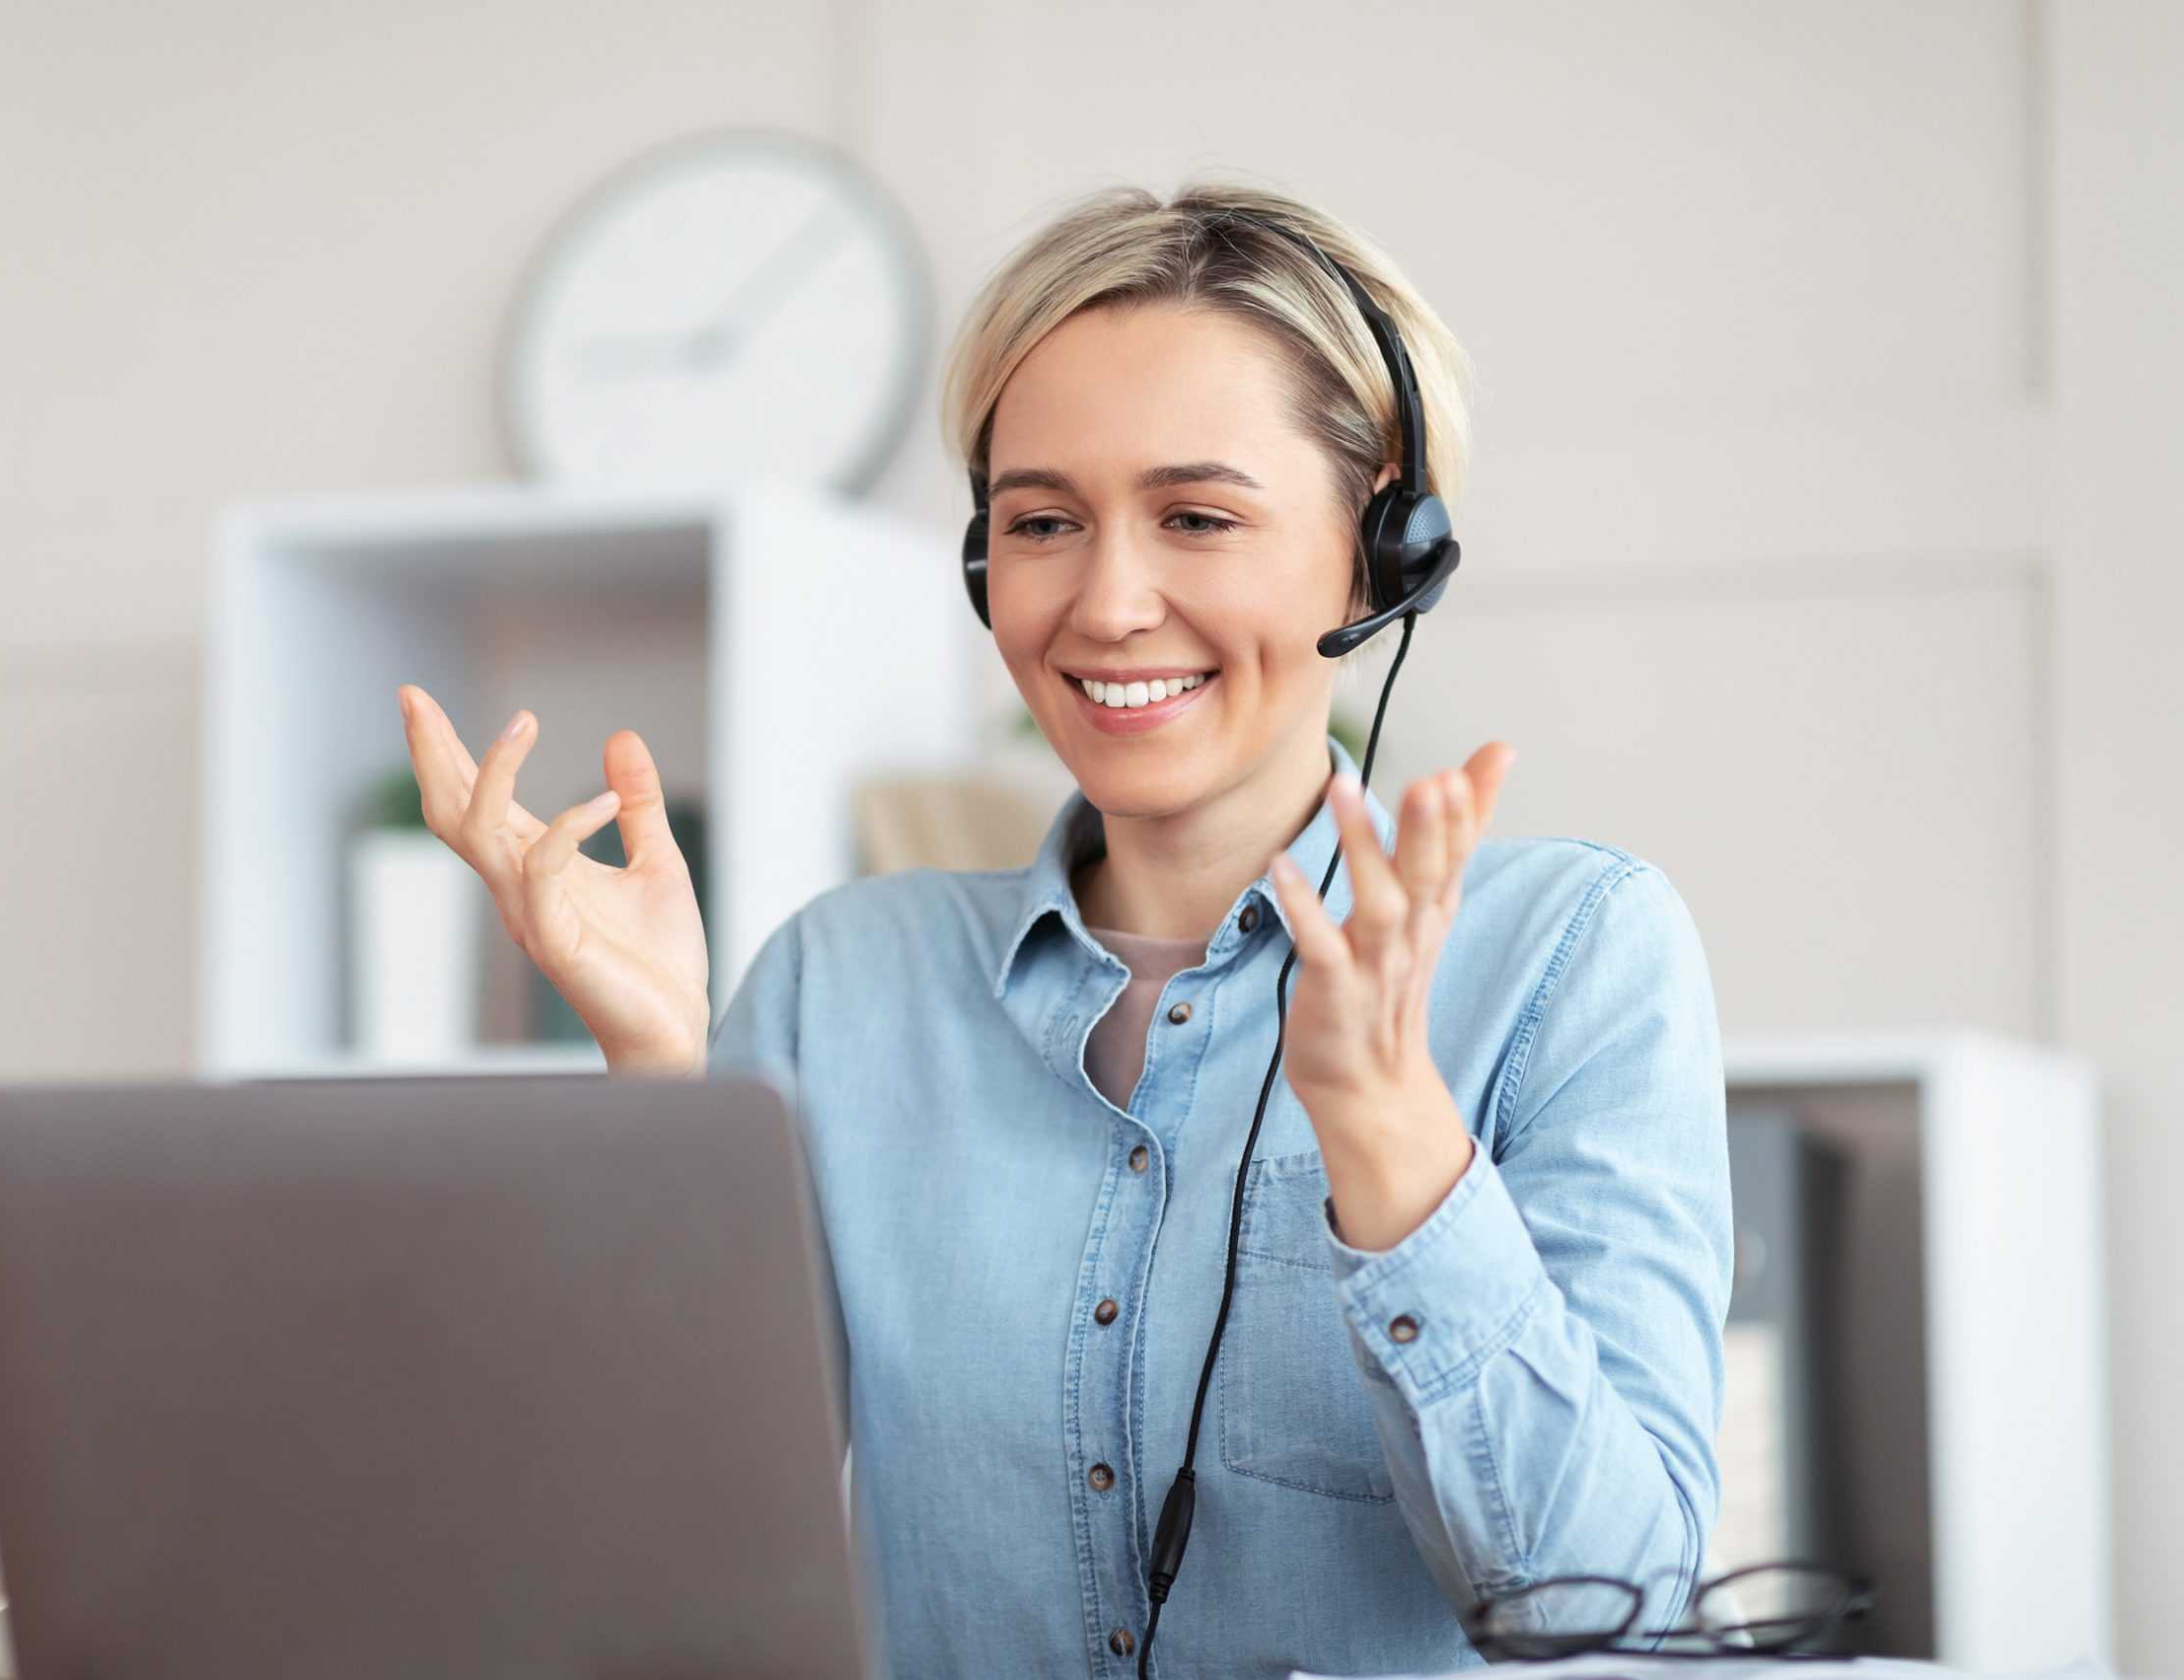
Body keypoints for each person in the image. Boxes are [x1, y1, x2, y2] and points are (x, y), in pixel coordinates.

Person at [396, 179, 1732, 1680]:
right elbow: (663, 1562)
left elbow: (1607, 1617)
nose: (1104, 603)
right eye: (1042, 521)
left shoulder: (1572, 957)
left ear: (1383, 549)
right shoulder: (845, 983)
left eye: (1196, 517)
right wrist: (656, 1087)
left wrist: (1392, 1148)